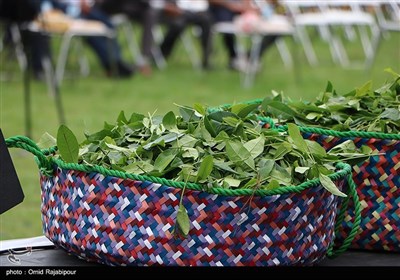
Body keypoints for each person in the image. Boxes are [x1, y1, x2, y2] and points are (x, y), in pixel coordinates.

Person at [47, 0, 135, 78]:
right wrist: (78, 4)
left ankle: (117, 60)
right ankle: (111, 64)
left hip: (87, 8)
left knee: (109, 26)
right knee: (94, 33)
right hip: (68, 12)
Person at [208, 0, 279, 71]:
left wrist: (249, 8)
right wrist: (232, 6)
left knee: (276, 29)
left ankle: (250, 55)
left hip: (245, 12)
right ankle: (235, 57)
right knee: (228, 26)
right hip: (221, 11)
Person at [97, 0, 157, 76]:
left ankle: (144, 60)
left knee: (150, 13)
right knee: (148, 10)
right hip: (109, 7)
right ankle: (115, 64)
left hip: (134, 6)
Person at [152, 0, 213, 70]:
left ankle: (207, 58)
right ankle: (162, 52)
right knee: (177, 25)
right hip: (177, 11)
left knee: (207, 21)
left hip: (197, 12)